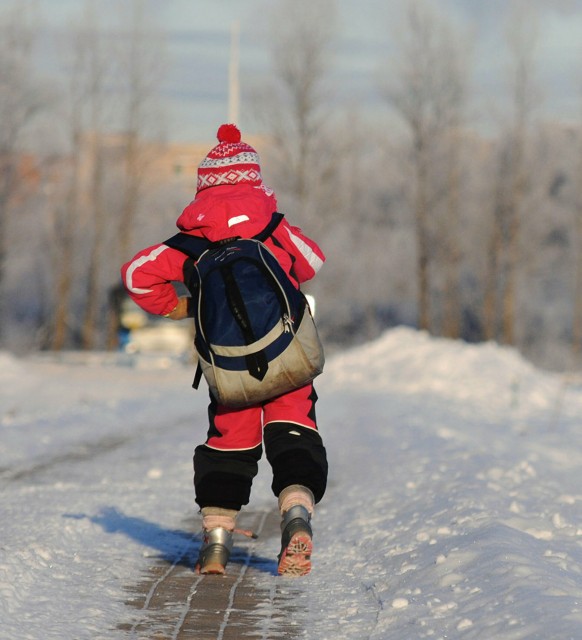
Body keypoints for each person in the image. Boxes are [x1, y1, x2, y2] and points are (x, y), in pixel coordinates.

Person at [120, 124, 328, 577]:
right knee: (294, 433)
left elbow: (136, 274)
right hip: (288, 357)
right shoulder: (273, 226)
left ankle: (215, 545)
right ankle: (296, 518)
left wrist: (178, 306)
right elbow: (312, 262)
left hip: (229, 370)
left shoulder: (191, 242)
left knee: (229, 443)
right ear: (254, 181)